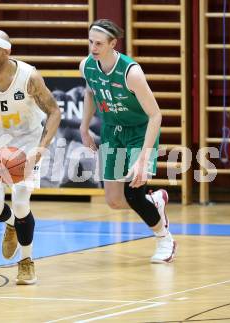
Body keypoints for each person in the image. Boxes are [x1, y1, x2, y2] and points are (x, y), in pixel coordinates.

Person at [0, 30, 61, 284]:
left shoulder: (29, 77)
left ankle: (26, 261)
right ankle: (12, 224)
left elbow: (53, 112)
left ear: (7, 51)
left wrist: (40, 149)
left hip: (27, 145)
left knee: (20, 202)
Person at [79, 19, 177, 263]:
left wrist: (144, 158)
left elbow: (156, 115)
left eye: (99, 43)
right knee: (114, 201)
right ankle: (156, 200)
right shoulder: (87, 66)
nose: (93, 48)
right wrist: (84, 127)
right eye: (91, 42)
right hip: (112, 131)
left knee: (133, 194)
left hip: (139, 132)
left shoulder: (131, 72)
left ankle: (165, 239)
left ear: (113, 43)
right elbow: (91, 92)